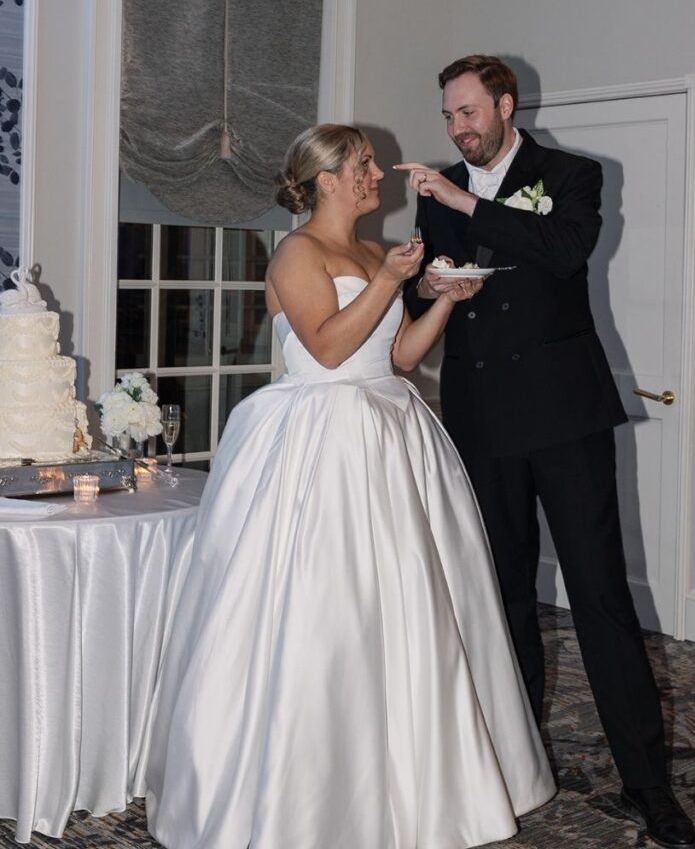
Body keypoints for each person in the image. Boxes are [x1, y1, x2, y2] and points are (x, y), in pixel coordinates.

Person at [144, 123, 555, 849]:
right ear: (326, 179)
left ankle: (422, 781)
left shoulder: (370, 250)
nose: (377, 175)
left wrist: (446, 301)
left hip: (391, 432)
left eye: (370, 164)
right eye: (363, 166)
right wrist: (394, 282)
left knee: (412, 600)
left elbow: (395, 357)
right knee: (327, 608)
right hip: (320, 444)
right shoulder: (296, 252)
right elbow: (329, 349)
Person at [398, 55, 695, 849]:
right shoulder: (435, 197)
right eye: (449, 117)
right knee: (502, 599)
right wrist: (428, 287)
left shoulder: (573, 174)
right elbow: (421, 285)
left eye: (468, 112)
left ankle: (648, 784)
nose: (458, 128)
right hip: (481, 417)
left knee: (600, 596)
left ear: (504, 105)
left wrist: (463, 199)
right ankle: (519, 760)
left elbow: (566, 251)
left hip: (565, 416)